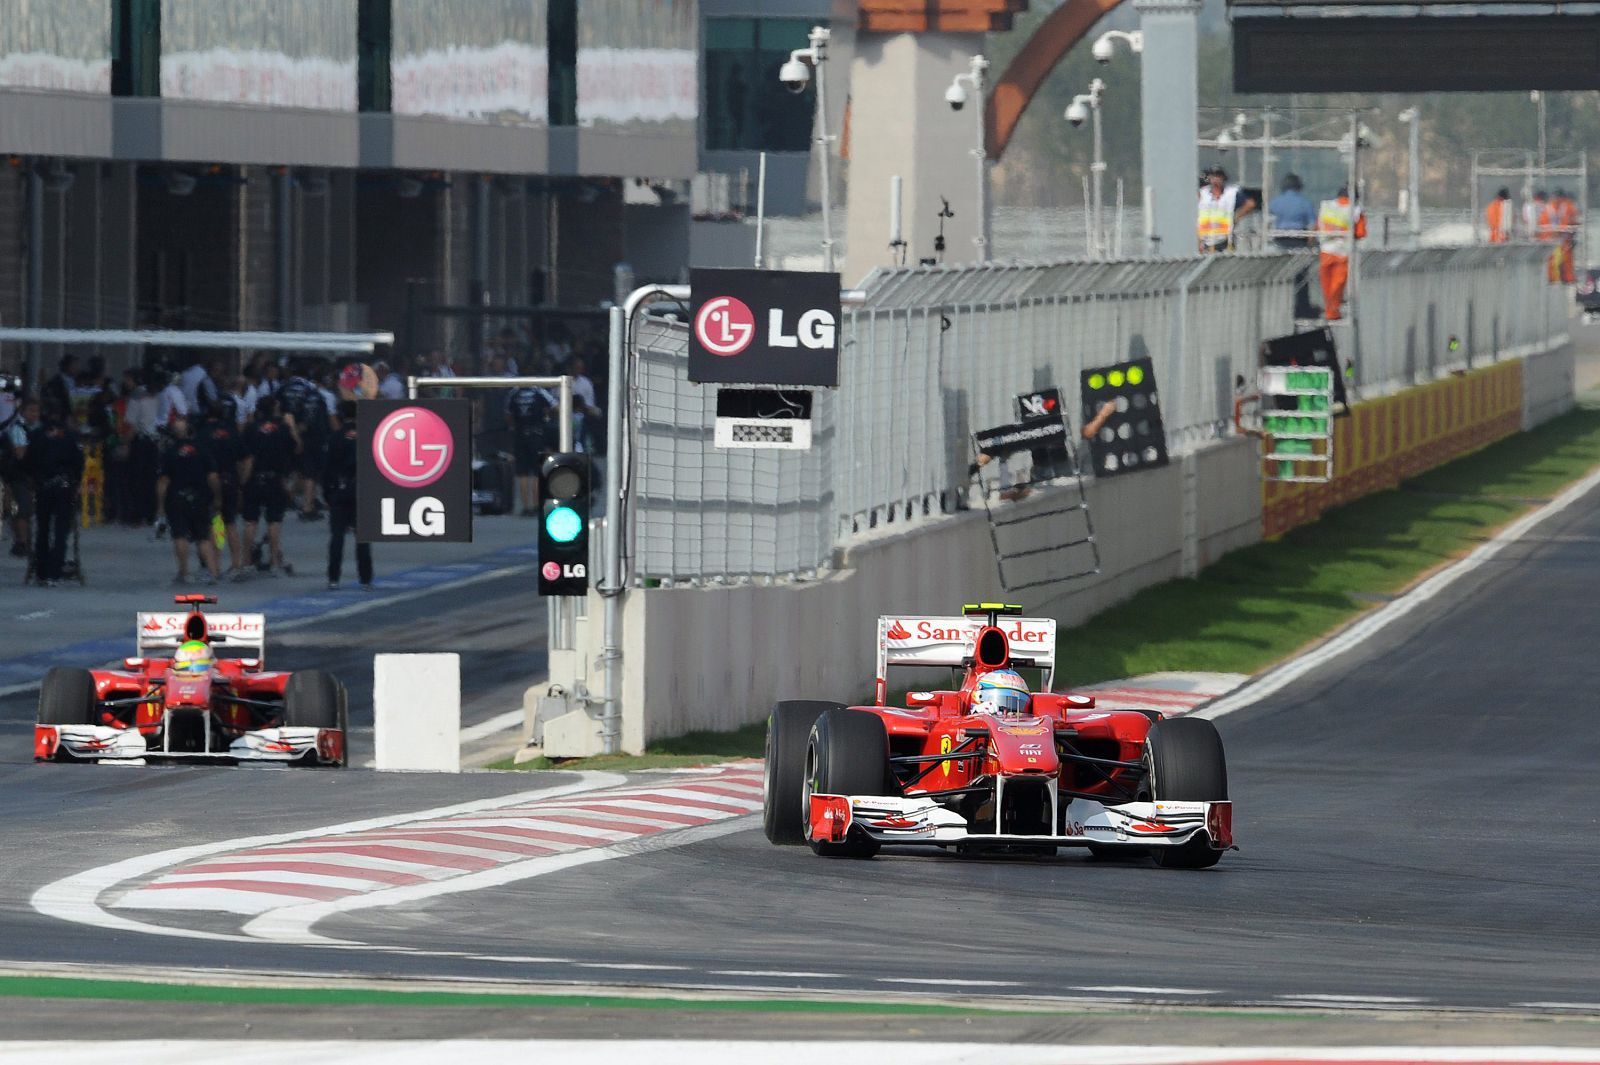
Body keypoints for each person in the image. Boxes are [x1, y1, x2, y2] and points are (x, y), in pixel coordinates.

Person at [156, 411, 222, 585]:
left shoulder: (170, 452)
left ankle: (183, 572)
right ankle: (213, 571)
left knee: (180, 535)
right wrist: (216, 497)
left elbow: (163, 480)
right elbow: (213, 477)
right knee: (204, 536)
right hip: (200, 497)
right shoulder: (202, 450)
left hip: (177, 497)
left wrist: (161, 506)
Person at [239, 395, 298, 577]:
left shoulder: (251, 428)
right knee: (274, 521)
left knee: (250, 521)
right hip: (275, 478)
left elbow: (246, 456)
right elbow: (296, 448)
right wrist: (292, 426)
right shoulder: (282, 428)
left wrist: (243, 481)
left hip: (255, 477)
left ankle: (247, 561)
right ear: (274, 408)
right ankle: (273, 561)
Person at [24, 402, 83, 586]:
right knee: (61, 530)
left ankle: (41, 570)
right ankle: (55, 571)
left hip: (43, 486)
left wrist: (35, 480)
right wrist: (75, 483)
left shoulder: (36, 435)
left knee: (42, 528)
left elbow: (29, 462)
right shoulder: (71, 436)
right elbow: (78, 463)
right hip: (64, 486)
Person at [322, 400, 372, 590]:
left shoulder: (335, 437)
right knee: (363, 537)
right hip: (362, 489)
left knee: (337, 537)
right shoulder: (368, 436)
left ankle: (333, 578)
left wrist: (328, 493)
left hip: (340, 489)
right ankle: (365, 578)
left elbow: (327, 468)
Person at [198, 394, 245, 576]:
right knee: (231, 522)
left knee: (215, 522)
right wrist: (241, 480)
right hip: (230, 478)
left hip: (210, 481)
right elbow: (244, 458)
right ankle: (236, 563)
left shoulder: (202, 434)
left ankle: (215, 564)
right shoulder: (232, 432)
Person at [1317, 185, 1367, 321]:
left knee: (1326, 283)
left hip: (1326, 250)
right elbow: (1361, 233)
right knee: (1337, 284)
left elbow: (1318, 226)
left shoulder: (1326, 206)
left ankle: (1329, 310)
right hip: (1343, 252)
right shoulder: (1356, 210)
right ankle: (1332, 313)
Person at [506, 380, 555, 516]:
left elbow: (508, 414)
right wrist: (546, 417)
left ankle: (526, 506)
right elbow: (555, 406)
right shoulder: (538, 390)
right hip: (536, 434)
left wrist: (514, 428)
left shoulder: (514, 392)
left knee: (522, 472)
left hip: (519, 434)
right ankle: (536, 505)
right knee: (536, 471)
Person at [3, 396, 39, 558]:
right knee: (23, 509)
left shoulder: (29, 428)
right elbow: (20, 454)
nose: (35, 414)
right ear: (23, 411)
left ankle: (23, 541)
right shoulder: (18, 429)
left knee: (23, 509)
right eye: (31, 411)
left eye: (37, 411)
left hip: (22, 475)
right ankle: (22, 543)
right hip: (17, 475)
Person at [1197, 165, 1256, 253]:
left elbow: (1250, 204)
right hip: (1206, 240)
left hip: (1225, 240)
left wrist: (1235, 217)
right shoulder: (1203, 194)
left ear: (1223, 177)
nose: (1216, 178)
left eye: (1218, 175)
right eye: (1213, 176)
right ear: (1209, 177)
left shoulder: (1231, 193)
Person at [1268, 173, 1316, 247]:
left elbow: (1269, 220)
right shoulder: (1306, 202)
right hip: (1300, 238)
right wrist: (1310, 242)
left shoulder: (1275, 202)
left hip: (1280, 238)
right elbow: (1313, 224)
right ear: (1299, 186)